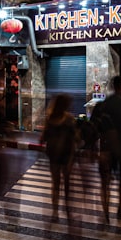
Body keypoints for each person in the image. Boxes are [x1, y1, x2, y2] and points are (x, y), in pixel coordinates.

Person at [92, 75, 121, 225]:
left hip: (105, 149)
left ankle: (105, 213)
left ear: (111, 86)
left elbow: (95, 128)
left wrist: (93, 148)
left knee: (105, 182)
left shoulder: (102, 105)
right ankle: (120, 206)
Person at [40, 93, 77, 222]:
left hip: (53, 155)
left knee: (56, 184)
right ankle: (66, 208)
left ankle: (55, 211)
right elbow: (74, 139)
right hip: (66, 155)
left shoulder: (50, 118)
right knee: (66, 183)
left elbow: (43, 137)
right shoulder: (69, 119)